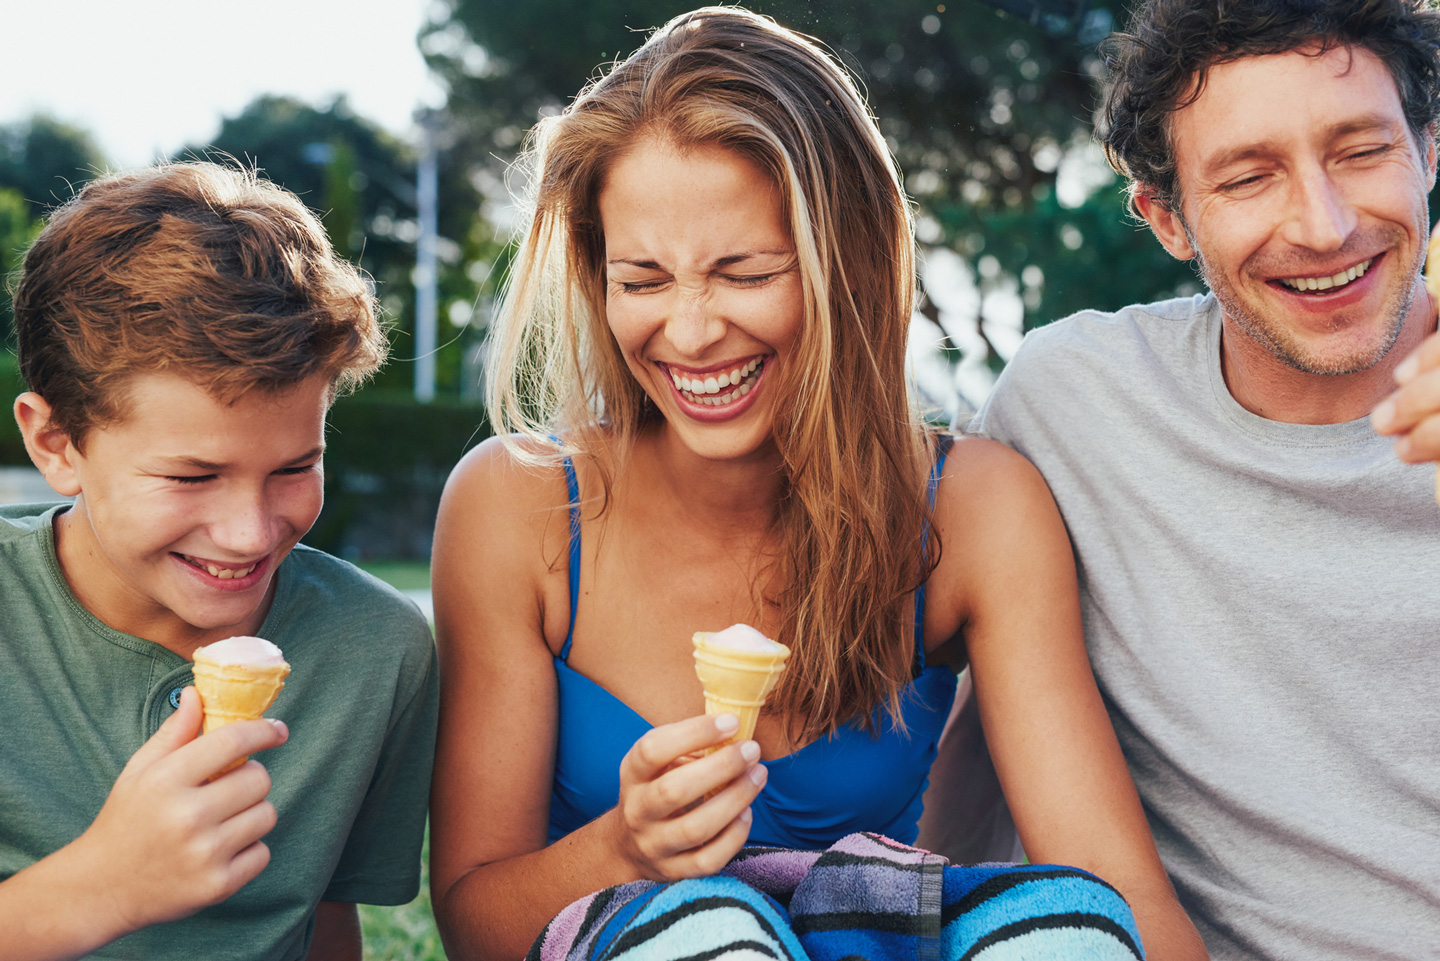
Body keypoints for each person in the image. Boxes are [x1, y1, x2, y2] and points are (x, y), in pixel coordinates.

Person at [429, 7, 1204, 960]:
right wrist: (623, 847)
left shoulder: (974, 510)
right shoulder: (518, 506)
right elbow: (473, 925)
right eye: (642, 279)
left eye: (744, 271)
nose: (692, 330)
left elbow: (1117, 900)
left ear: (851, 263)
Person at [967, 1, 1440, 957]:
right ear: (1166, 218)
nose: (1325, 224)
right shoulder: (1071, 406)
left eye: (1358, 150)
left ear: (1430, 150)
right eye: (1249, 176)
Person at [0, 162, 439, 961]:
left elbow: (326, 925)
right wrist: (101, 884)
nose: (248, 534)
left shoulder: (377, 651)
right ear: (56, 443)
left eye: (294, 467)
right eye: (191, 476)